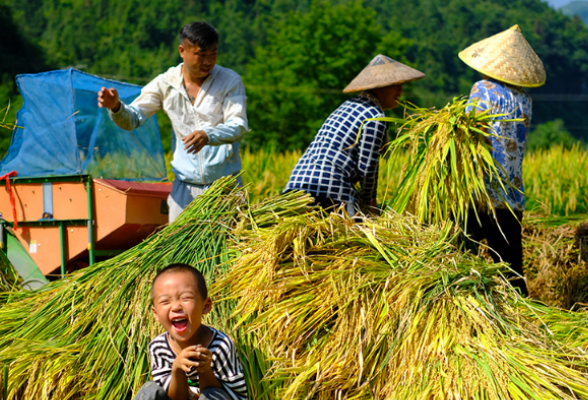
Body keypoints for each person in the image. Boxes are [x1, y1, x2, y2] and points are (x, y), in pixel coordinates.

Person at [98, 22, 248, 223]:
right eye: (201, 54)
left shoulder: (229, 81)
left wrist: (208, 135)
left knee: (231, 250)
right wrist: (116, 107)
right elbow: (133, 119)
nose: (208, 61)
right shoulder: (165, 83)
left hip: (225, 188)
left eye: (213, 54)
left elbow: (238, 125)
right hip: (184, 189)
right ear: (182, 51)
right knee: (179, 250)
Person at [459, 25, 546, 296]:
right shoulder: (525, 99)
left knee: (456, 257)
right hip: (511, 194)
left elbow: (473, 131)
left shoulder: (482, 88)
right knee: (511, 270)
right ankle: (526, 323)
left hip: (481, 192)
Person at [283, 55, 425, 216]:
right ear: (378, 87)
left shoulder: (348, 106)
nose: (400, 91)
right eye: (395, 85)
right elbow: (367, 169)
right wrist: (371, 210)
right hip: (327, 194)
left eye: (401, 85)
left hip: (295, 190)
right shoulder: (373, 117)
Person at [132, 263, 247, 400]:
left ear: (206, 306)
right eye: (165, 301)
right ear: (155, 313)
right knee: (150, 389)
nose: (176, 306)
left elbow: (236, 396)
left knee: (211, 395)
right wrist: (177, 369)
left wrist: (205, 370)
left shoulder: (221, 346)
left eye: (185, 298)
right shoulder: (158, 347)